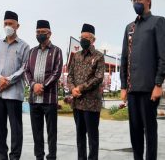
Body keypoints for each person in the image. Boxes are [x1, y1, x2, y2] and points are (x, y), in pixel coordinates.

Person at [120, 0, 165, 160]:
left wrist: (158, 84)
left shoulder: (158, 22)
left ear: (148, 0)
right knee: (134, 131)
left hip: (150, 89)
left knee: (150, 131)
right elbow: (124, 59)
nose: (136, 2)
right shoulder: (129, 28)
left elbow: (163, 57)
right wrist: (124, 87)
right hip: (133, 90)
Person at [0, 10, 30, 160]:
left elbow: (25, 68)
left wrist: (8, 80)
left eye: (10, 24)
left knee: (15, 128)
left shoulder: (25, 46)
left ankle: (14, 157)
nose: (8, 26)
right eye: (5, 23)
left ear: (17, 25)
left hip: (14, 94)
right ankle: (2, 156)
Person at [24, 20, 63, 160]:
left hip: (49, 98)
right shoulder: (31, 52)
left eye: (43, 32)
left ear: (49, 33)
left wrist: (43, 86)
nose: (40, 35)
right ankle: (39, 156)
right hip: (34, 99)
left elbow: (57, 72)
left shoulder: (57, 51)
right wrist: (33, 85)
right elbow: (26, 71)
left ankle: (52, 156)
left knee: (52, 132)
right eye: (38, 32)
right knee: (37, 131)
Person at [67, 24, 105, 160]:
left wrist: (80, 88)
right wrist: (72, 88)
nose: (83, 40)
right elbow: (69, 75)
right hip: (77, 103)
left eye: (86, 38)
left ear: (93, 40)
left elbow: (98, 77)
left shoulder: (99, 56)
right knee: (80, 136)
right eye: (81, 37)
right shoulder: (76, 56)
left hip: (91, 104)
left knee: (93, 137)